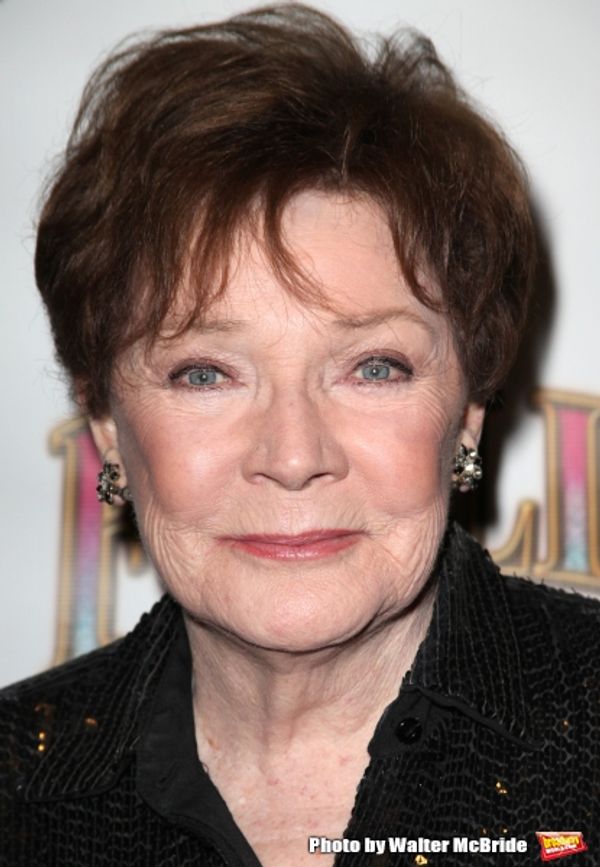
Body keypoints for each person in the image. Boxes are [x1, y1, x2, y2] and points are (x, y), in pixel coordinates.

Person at [1, 4, 599, 865]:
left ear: (468, 409)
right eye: (205, 372)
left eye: (374, 367)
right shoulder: (17, 775)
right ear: (106, 423)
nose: (291, 456)